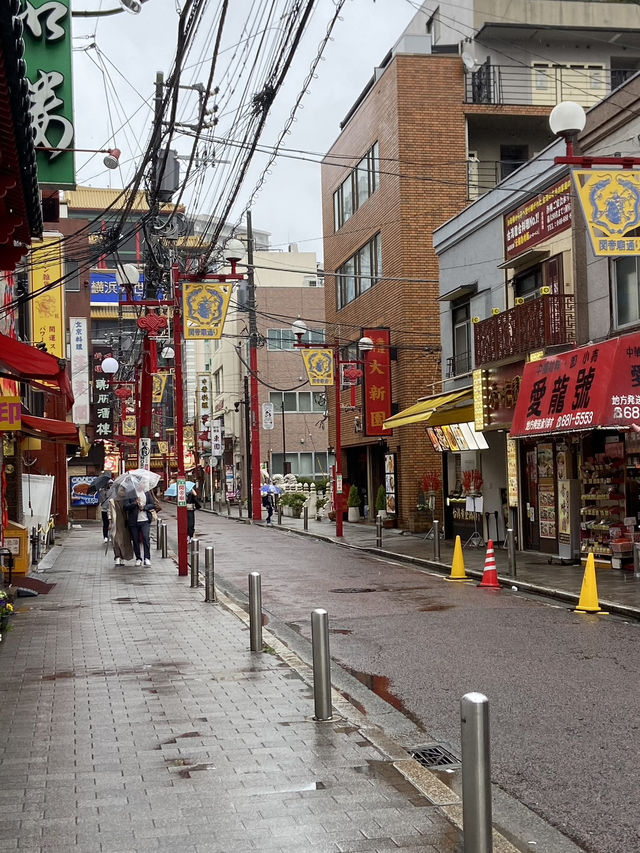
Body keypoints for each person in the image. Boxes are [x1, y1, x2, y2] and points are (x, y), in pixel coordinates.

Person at [123, 490, 156, 566]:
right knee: (135, 540)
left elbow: (152, 504)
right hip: (133, 521)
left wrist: (144, 507)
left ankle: (147, 558)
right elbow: (125, 507)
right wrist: (135, 503)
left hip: (145, 520)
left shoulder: (146, 493)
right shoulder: (129, 493)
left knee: (146, 538)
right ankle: (138, 558)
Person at [108, 488, 134, 566]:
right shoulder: (112, 501)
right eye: (120, 490)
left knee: (125, 541)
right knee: (116, 540)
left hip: (126, 523)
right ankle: (117, 557)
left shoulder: (128, 500)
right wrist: (110, 523)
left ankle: (123, 557)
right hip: (116, 523)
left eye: (123, 490)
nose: (122, 492)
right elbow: (109, 512)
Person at [98, 474, 114, 542]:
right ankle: (105, 536)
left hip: (112, 509)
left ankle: (111, 535)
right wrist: (102, 492)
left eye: (111, 484)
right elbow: (101, 500)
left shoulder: (114, 490)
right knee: (105, 524)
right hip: (104, 510)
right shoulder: (102, 491)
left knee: (112, 523)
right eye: (109, 484)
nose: (110, 485)